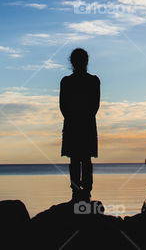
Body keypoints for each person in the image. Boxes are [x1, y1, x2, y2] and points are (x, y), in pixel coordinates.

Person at [60, 48, 100, 202]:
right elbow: (64, 106)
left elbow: (64, 106)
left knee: (78, 159)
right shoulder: (71, 81)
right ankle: (82, 192)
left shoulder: (71, 81)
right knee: (82, 159)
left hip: (77, 124)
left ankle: (81, 192)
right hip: (82, 124)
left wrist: (75, 117)